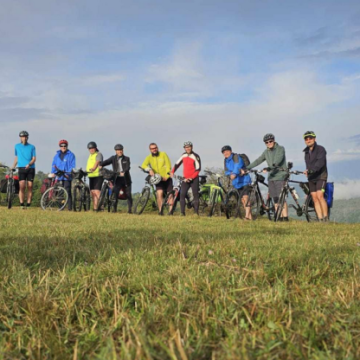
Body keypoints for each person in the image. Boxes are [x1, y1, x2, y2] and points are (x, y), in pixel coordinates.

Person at [244, 134, 289, 221]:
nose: (269, 143)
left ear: (274, 140)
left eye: (270, 141)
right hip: (271, 177)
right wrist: (247, 168)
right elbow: (258, 160)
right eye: (266, 142)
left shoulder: (280, 149)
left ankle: (285, 218)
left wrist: (269, 168)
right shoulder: (266, 152)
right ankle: (279, 218)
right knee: (275, 198)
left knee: (281, 198)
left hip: (280, 176)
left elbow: (278, 161)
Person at [303, 131, 329, 222]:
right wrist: (307, 171)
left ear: (315, 139)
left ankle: (326, 218)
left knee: (320, 195)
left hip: (321, 176)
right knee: (314, 198)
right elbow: (308, 165)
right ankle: (320, 218)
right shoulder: (306, 152)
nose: (308, 140)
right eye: (306, 139)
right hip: (311, 177)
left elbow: (320, 163)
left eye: (310, 138)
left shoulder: (321, 149)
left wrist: (311, 170)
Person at [100, 144, 133, 213]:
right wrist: (101, 165)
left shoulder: (127, 158)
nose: (120, 151)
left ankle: (130, 210)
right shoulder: (113, 158)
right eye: (118, 150)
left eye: (121, 150)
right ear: (116, 151)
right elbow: (106, 162)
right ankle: (114, 209)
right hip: (117, 179)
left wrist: (124, 172)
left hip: (126, 179)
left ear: (122, 150)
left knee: (128, 194)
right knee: (115, 193)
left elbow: (127, 167)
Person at [171, 141, 201, 216]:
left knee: (195, 195)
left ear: (192, 147)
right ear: (184, 148)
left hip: (194, 179)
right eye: (186, 147)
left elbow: (198, 169)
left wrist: (191, 178)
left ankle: (196, 213)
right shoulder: (183, 155)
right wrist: (172, 171)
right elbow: (177, 164)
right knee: (182, 194)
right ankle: (182, 213)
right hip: (185, 179)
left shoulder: (195, 156)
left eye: (189, 147)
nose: (187, 148)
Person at [141, 143, 172, 214]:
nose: (154, 149)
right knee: (159, 193)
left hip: (166, 178)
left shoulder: (163, 154)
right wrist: (149, 169)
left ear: (157, 148)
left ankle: (170, 212)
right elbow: (143, 165)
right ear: (150, 150)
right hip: (158, 179)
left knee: (170, 194)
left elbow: (168, 165)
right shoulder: (149, 157)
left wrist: (166, 176)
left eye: (155, 148)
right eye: (152, 148)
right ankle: (160, 211)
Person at [222, 145, 252, 219]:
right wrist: (230, 174)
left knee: (245, 197)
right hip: (237, 182)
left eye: (227, 151)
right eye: (224, 152)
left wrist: (234, 173)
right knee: (242, 200)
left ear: (231, 151)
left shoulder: (236, 157)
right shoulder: (225, 160)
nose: (225, 153)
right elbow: (226, 171)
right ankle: (250, 217)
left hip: (244, 180)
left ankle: (246, 216)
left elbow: (238, 165)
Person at [12, 131, 36, 209]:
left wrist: (29, 164)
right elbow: (17, 157)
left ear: (27, 137)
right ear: (20, 138)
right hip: (21, 168)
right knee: (22, 186)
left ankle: (28, 204)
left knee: (30, 186)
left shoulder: (32, 147)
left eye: (25, 137)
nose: (24, 138)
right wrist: (13, 166)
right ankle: (22, 204)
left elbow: (34, 158)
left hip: (30, 168)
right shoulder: (17, 146)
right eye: (22, 137)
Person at [51, 140, 76, 211]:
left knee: (67, 191)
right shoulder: (56, 155)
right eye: (62, 146)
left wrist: (68, 173)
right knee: (59, 192)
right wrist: (53, 173)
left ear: (67, 146)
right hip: (59, 176)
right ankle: (60, 207)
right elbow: (53, 165)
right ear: (60, 147)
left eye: (65, 146)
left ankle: (70, 208)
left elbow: (72, 165)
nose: (63, 147)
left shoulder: (71, 155)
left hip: (67, 176)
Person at [86, 142, 103, 211]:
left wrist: (93, 168)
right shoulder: (90, 156)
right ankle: (95, 208)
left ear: (95, 148)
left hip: (98, 175)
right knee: (92, 192)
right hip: (91, 176)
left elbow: (97, 162)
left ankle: (101, 207)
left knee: (97, 191)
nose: (91, 150)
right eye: (90, 149)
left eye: (92, 148)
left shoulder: (98, 154)